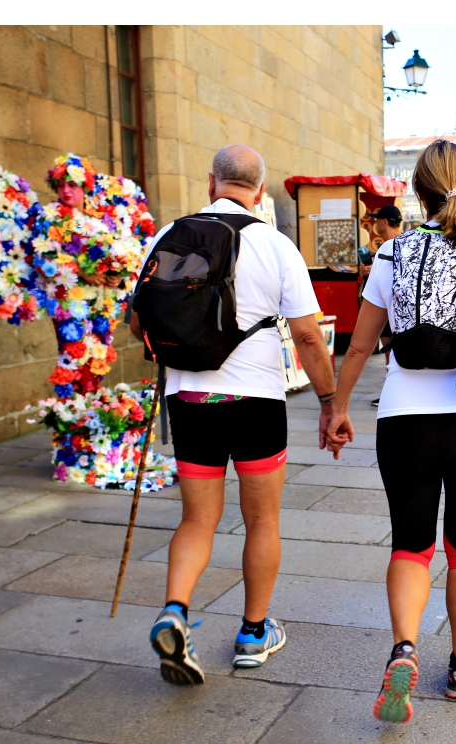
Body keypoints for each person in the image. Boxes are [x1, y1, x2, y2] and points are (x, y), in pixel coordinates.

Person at [324, 139, 456, 722]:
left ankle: (405, 649)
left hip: (404, 421)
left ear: (417, 191)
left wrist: (336, 408)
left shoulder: (392, 254)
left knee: (410, 542)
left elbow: (361, 343)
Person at [131, 145, 338, 685]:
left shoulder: (168, 235)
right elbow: (309, 335)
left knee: (197, 519)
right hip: (256, 402)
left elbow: (139, 322)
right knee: (263, 520)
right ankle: (252, 634)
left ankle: (174, 610)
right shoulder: (276, 245)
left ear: (211, 183)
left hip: (191, 398)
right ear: (261, 192)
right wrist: (328, 401)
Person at [365, 205, 404, 407]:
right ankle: (392, 391)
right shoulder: (406, 241)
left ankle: (392, 393)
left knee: (391, 352)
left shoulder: (393, 246)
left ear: (385, 222)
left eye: (377, 219)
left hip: (392, 305)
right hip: (399, 306)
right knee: (390, 352)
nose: (375, 223)